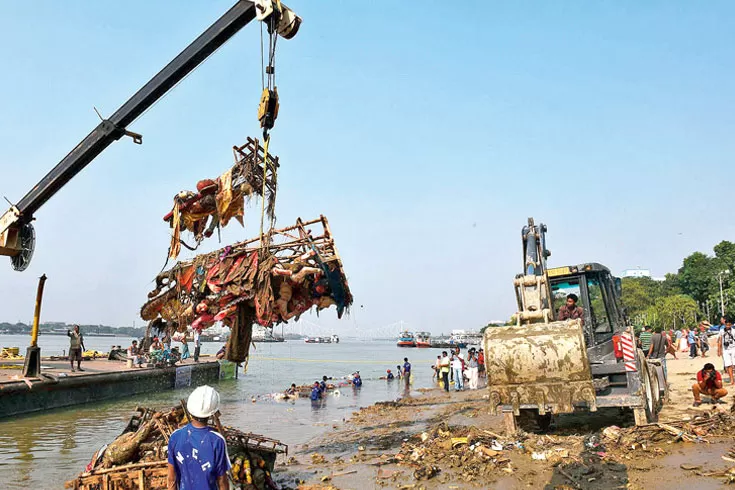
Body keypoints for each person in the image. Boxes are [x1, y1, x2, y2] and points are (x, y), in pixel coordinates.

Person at [168, 385, 230, 490]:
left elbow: (171, 478)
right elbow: (222, 480)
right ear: (212, 413)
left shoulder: (175, 436)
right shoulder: (217, 440)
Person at [718, 319, 735, 386]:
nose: (727, 326)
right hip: (725, 350)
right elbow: (720, 340)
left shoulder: (734, 331)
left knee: (734, 364)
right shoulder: (722, 331)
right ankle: (732, 379)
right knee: (728, 365)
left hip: (733, 348)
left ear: (731, 325)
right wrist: (719, 350)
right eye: (726, 325)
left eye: (729, 325)